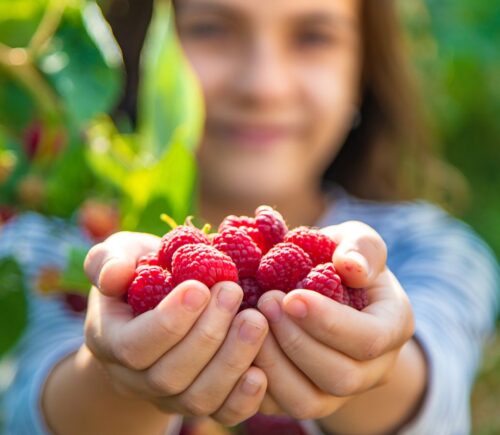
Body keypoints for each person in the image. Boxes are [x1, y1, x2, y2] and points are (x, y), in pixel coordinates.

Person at [1, 0, 499, 434]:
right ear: (140, 49)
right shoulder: (51, 246)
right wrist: (117, 374)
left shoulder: (434, 250)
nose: (263, 85)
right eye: (212, 28)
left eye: (313, 36)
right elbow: (25, 413)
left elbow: (437, 402)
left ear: (364, 68)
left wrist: (373, 361)